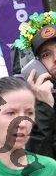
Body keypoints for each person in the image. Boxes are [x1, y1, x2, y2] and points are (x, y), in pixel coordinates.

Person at [14, 11, 56, 158]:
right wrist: (43, 107)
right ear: (36, 65)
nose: (55, 58)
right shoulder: (28, 108)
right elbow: (34, 163)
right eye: (46, 54)